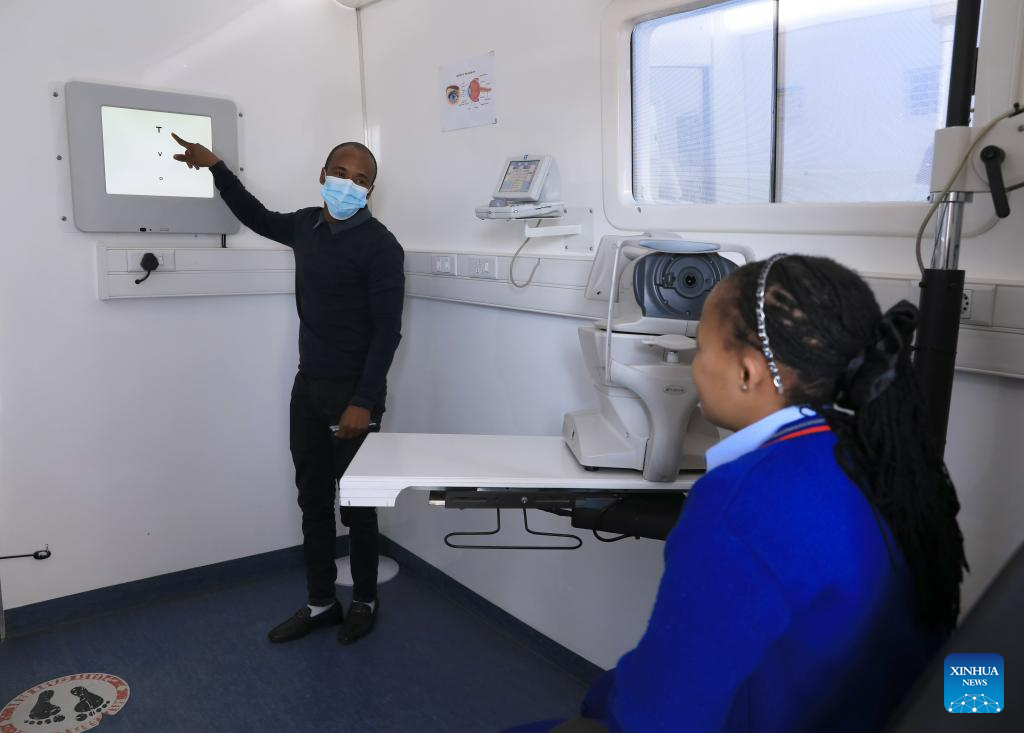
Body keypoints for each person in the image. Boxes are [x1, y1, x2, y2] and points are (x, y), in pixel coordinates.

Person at [508, 254, 967, 732]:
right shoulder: (888, 459)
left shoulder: (743, 499)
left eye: (700, 349)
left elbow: (657, 719)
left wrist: (598, 703)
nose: (694, 367)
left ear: (748, 372)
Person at [171, 133, 404, 646]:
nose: (349, 184)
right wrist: (215, 166)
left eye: (361, 179)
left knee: (358, 507)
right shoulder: (305, 225)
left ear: (370, 191)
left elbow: (388, 332)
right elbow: (255, 215)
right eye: (340, 173)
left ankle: (364, 600)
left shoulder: (381, 247)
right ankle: (321, 602)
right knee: (313, 502)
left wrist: (363, 402)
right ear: (323, 176)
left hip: (355, 400)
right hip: (309, 390)